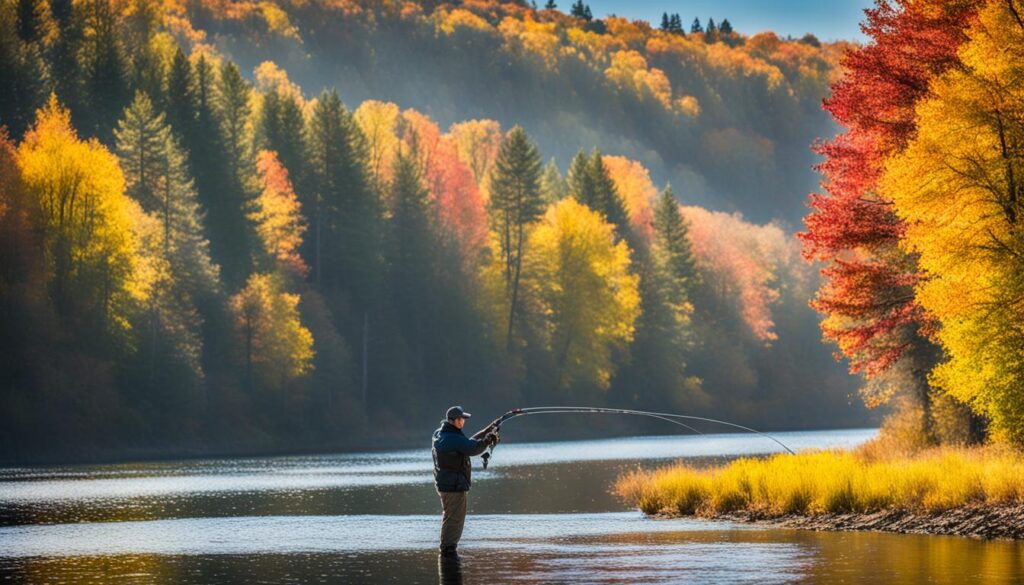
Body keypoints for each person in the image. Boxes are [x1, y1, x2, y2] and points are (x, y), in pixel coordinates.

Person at [431, 405, 498, 558]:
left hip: (445, 484)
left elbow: (468, 442)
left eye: (463, 419)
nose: (463, 422)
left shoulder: (441, 434)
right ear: (452, 420)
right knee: (454, 519)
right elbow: (472, 448)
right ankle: (448, 549)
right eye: (460, 419)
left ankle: (447, 548)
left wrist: (489, 429)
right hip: (453, 486)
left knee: (450, 516)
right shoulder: (452, 438)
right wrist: (488, 440)